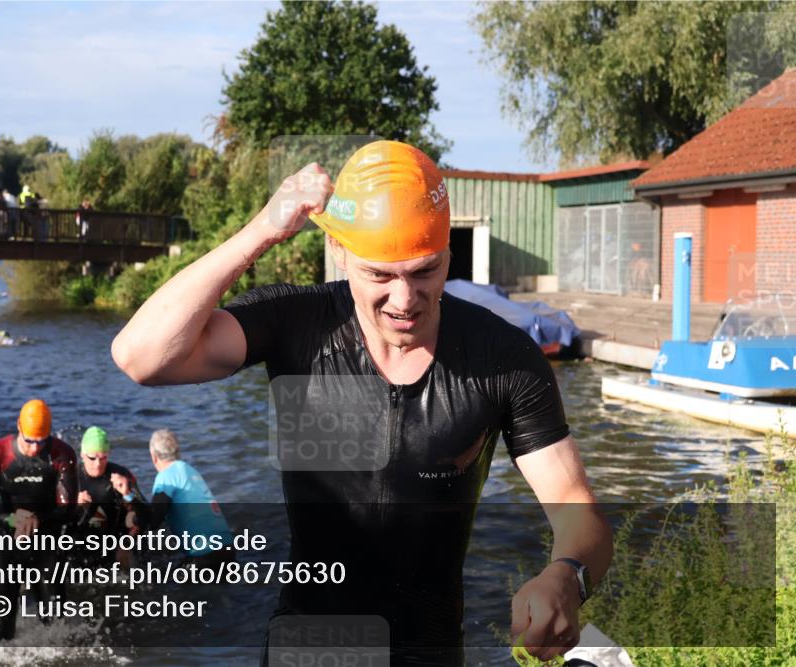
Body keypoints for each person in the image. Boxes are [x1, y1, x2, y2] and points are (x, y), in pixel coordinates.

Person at [111, 140, 613, 664]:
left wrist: (567, 576)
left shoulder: (502, 358)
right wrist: (262, 230)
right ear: (341, 254)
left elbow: (583, 517)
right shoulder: (296, 325)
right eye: (380, 274)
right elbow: (140, 357)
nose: (404, 299)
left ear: (448, 256)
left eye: (425, 271)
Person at [0, 399, 78, 642]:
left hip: (46, 540)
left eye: (41, 441)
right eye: (29, 441)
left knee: (57, 629)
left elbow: (69, 510)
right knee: (1, 632)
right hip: (5, 541)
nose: (34, 449)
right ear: (18, 426)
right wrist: (11, 520)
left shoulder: (62, 455)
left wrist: (35, 519)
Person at [148, 429, 232, 567]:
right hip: (228, 549)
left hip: (205, 555)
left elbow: (154, 520)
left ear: (153, 456)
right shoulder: (190, 470)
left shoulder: (165, 477)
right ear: (178, 451)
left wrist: (129, 497)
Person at [74, 426, 148, 564]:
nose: (97, 464)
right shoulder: (70, 477)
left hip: (114, 542)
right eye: (92, 458)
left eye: (103, 458)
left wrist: (127, 493)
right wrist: (71, 503)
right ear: (82, 454)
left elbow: (146, 517)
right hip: (79, 543)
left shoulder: (121, 475)